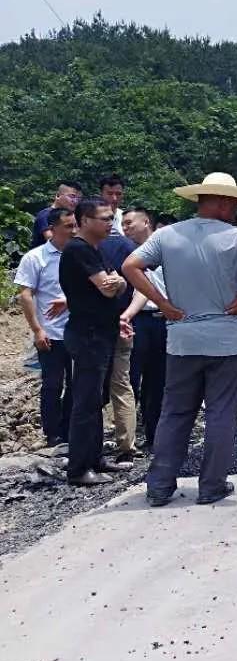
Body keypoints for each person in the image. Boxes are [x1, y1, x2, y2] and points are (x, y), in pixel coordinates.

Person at [122, 173, 237, 507]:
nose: (236, 210)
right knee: (221, 412)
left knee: (176, 412)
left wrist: (163, 303)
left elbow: (131, 265)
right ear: (222, 202)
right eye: (234, 203)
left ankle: (160, 486)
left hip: (183, 339)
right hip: (227, 340)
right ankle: (212, 486)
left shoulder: (167, 235)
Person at [59, 199, 132, 486]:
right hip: (87, 334)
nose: (110, 224)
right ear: (85, 220)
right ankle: (78, 469)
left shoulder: (96, 250)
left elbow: (119, 282)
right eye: (104, 218)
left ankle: (95, 457)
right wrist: (115, 284)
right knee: (85, 403)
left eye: (112, 218)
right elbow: (107, 287)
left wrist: (117, 284)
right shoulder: (78, 250)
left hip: (102, 333)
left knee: (96, 400)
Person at [14, 207, 76, 448]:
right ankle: (53, 433)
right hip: (49, 332)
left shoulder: (80, 254)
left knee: (76, 383)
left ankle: (71, 429)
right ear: (53, 228)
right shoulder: (35, 257)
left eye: (75, 225)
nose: (73, 230)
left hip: (78, 331)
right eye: (68, 226)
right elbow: (25, 294)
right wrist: (37, 329)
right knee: (52, 383)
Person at [120, 208, 167, 449]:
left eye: (129, 223)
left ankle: (154, 433)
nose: (125, 227)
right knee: (131, 377)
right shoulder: (126, 253)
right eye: (122, 224)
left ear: (146, 222)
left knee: (158, 379)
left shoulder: (167, 249)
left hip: (165, 320)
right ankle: (128, 435)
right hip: (139, 320)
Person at [99, 220, 139, 460]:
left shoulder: (82, 250)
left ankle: (89, 445)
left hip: (95, 329)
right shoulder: (128, 246)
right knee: (122, 385)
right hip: (124, 324)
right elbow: (140, 286)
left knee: (89, 387)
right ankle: (127, 445)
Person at [30, 181, 82, 248]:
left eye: (78, 198)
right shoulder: (45, 215)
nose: (75, 201)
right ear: (58, 195)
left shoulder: (72, 216)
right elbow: (50, 238)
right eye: (72, 196)